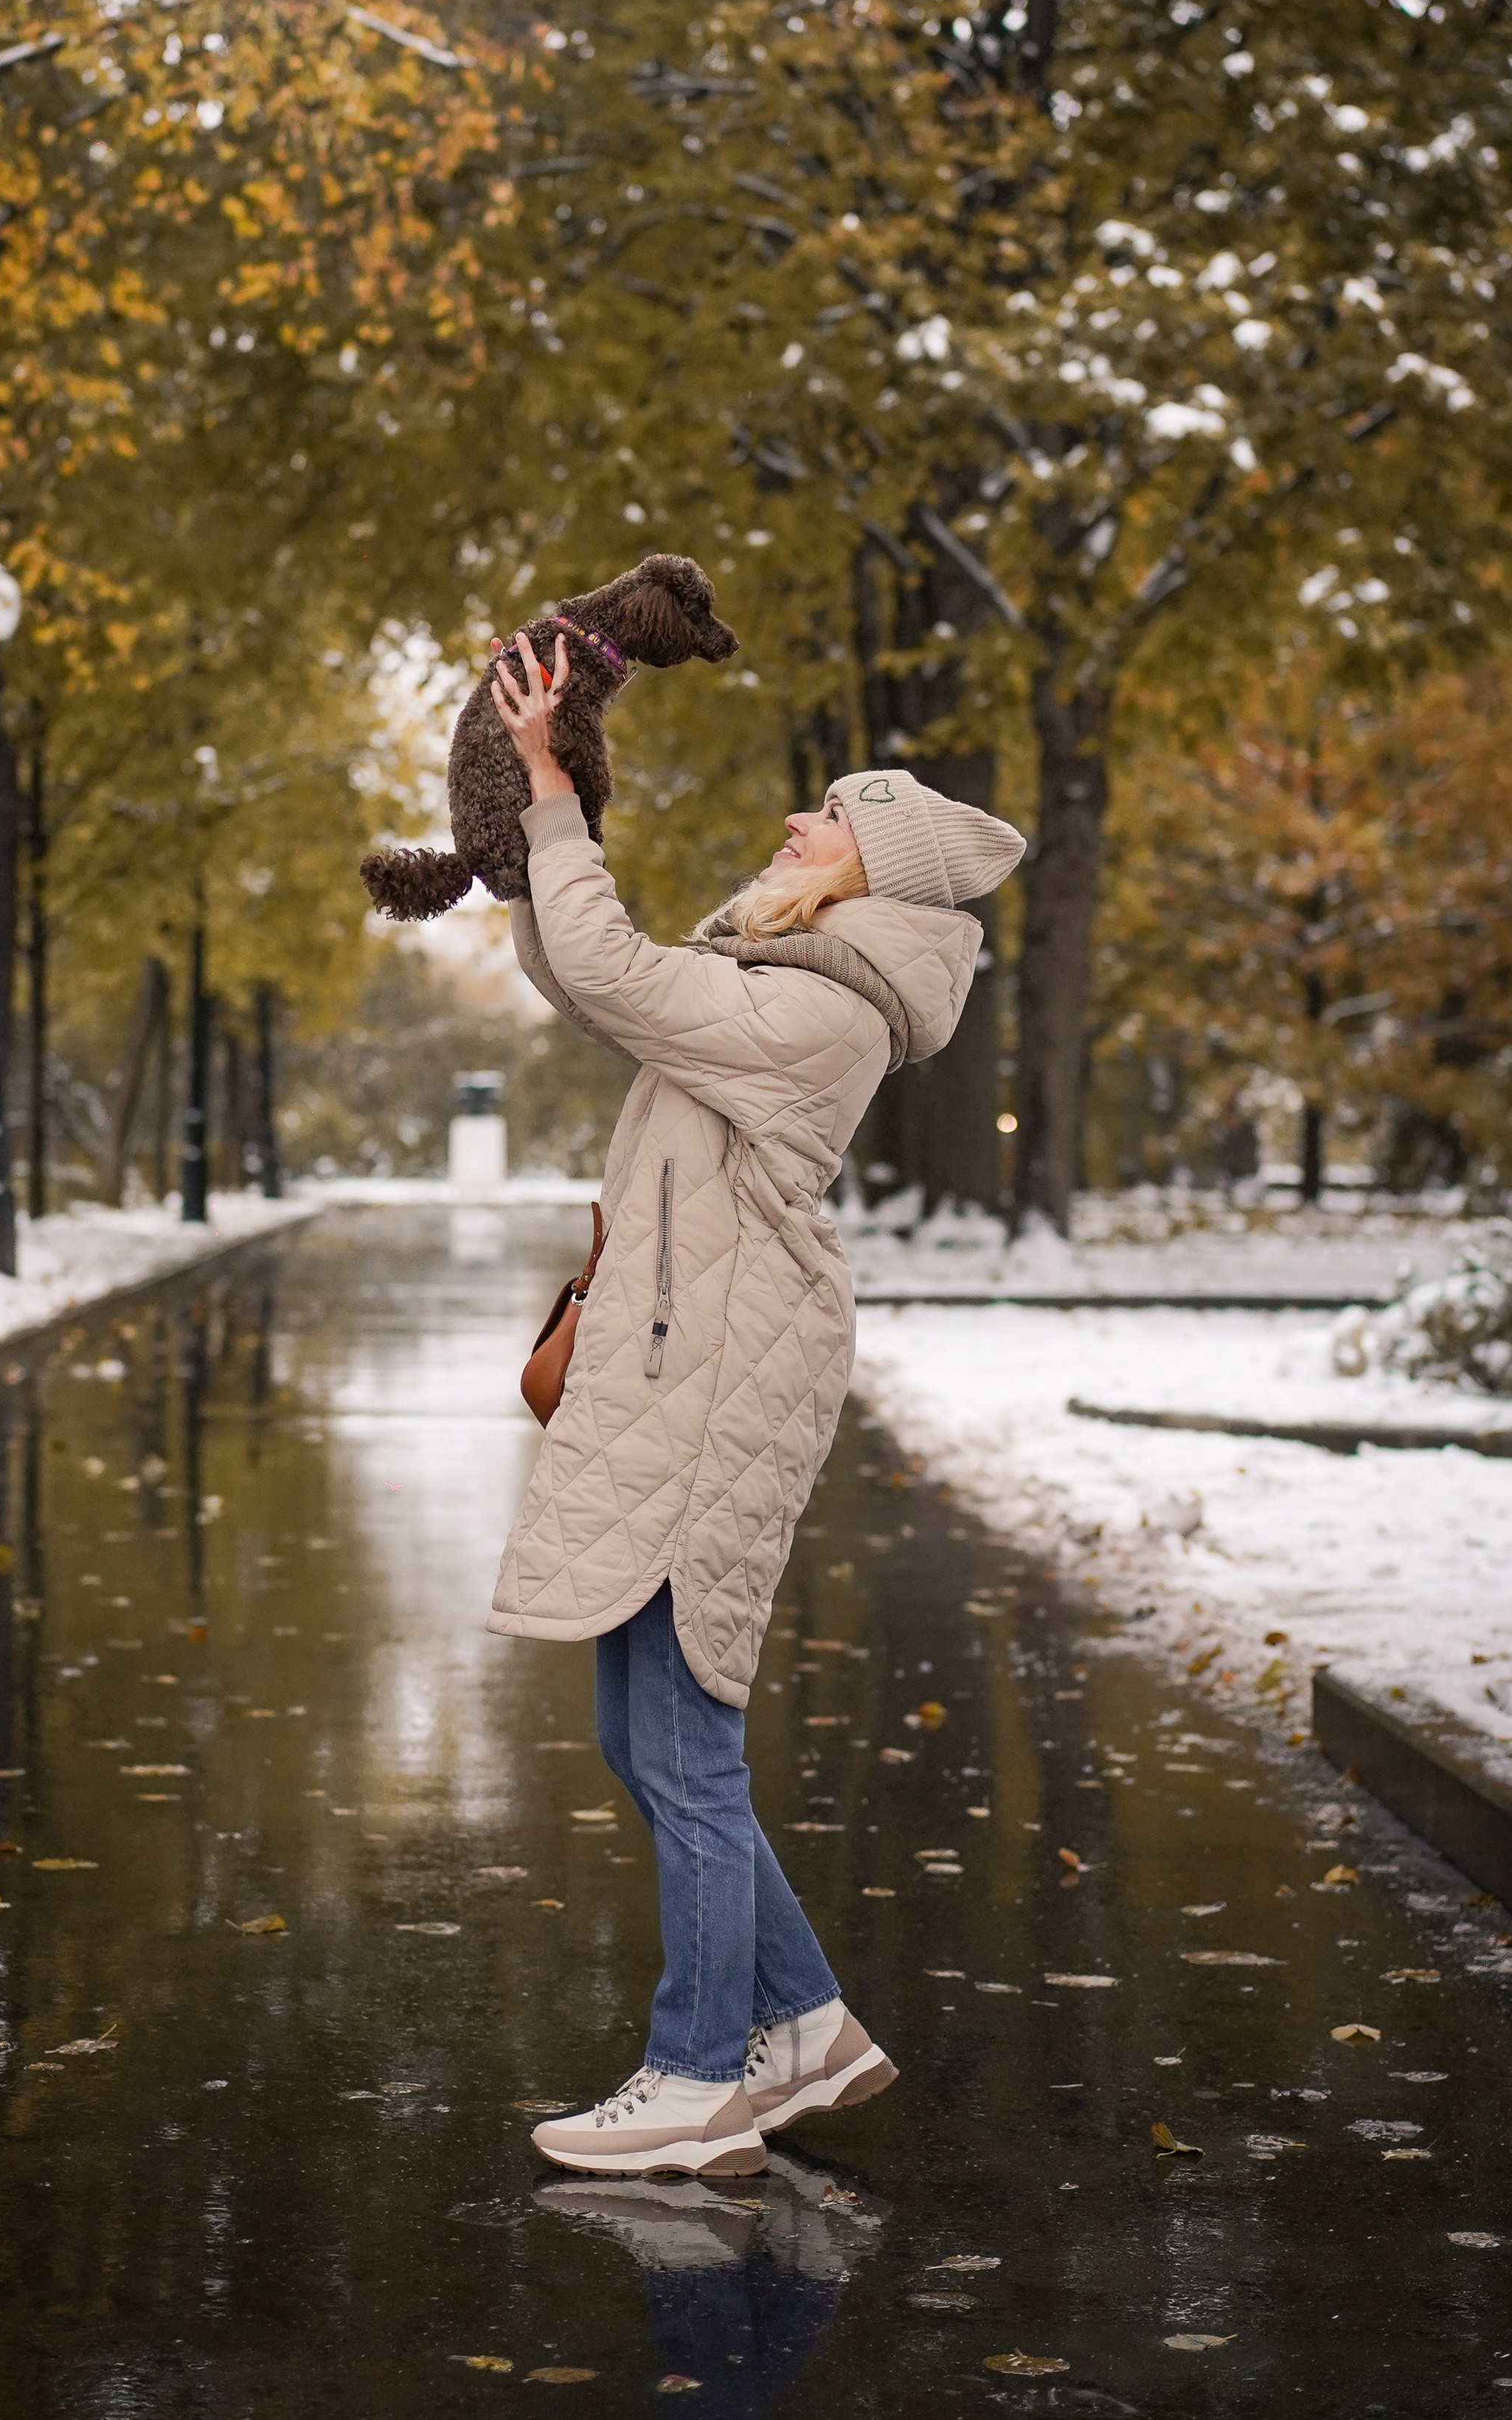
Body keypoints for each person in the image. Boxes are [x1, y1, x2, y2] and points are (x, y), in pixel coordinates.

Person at [485, 628, 1026, 2177]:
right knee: (639, 1731)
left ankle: (694, 2080)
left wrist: (544, 785)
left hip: (715, 1379)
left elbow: (611, 967)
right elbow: (590, 979)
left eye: (826, 817)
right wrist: (531, 821)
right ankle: (796, 2026)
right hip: (689, 1359)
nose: (794, 824)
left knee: (681, 1741)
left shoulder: (821, 1013)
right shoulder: (779, 974)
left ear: (871, 873)